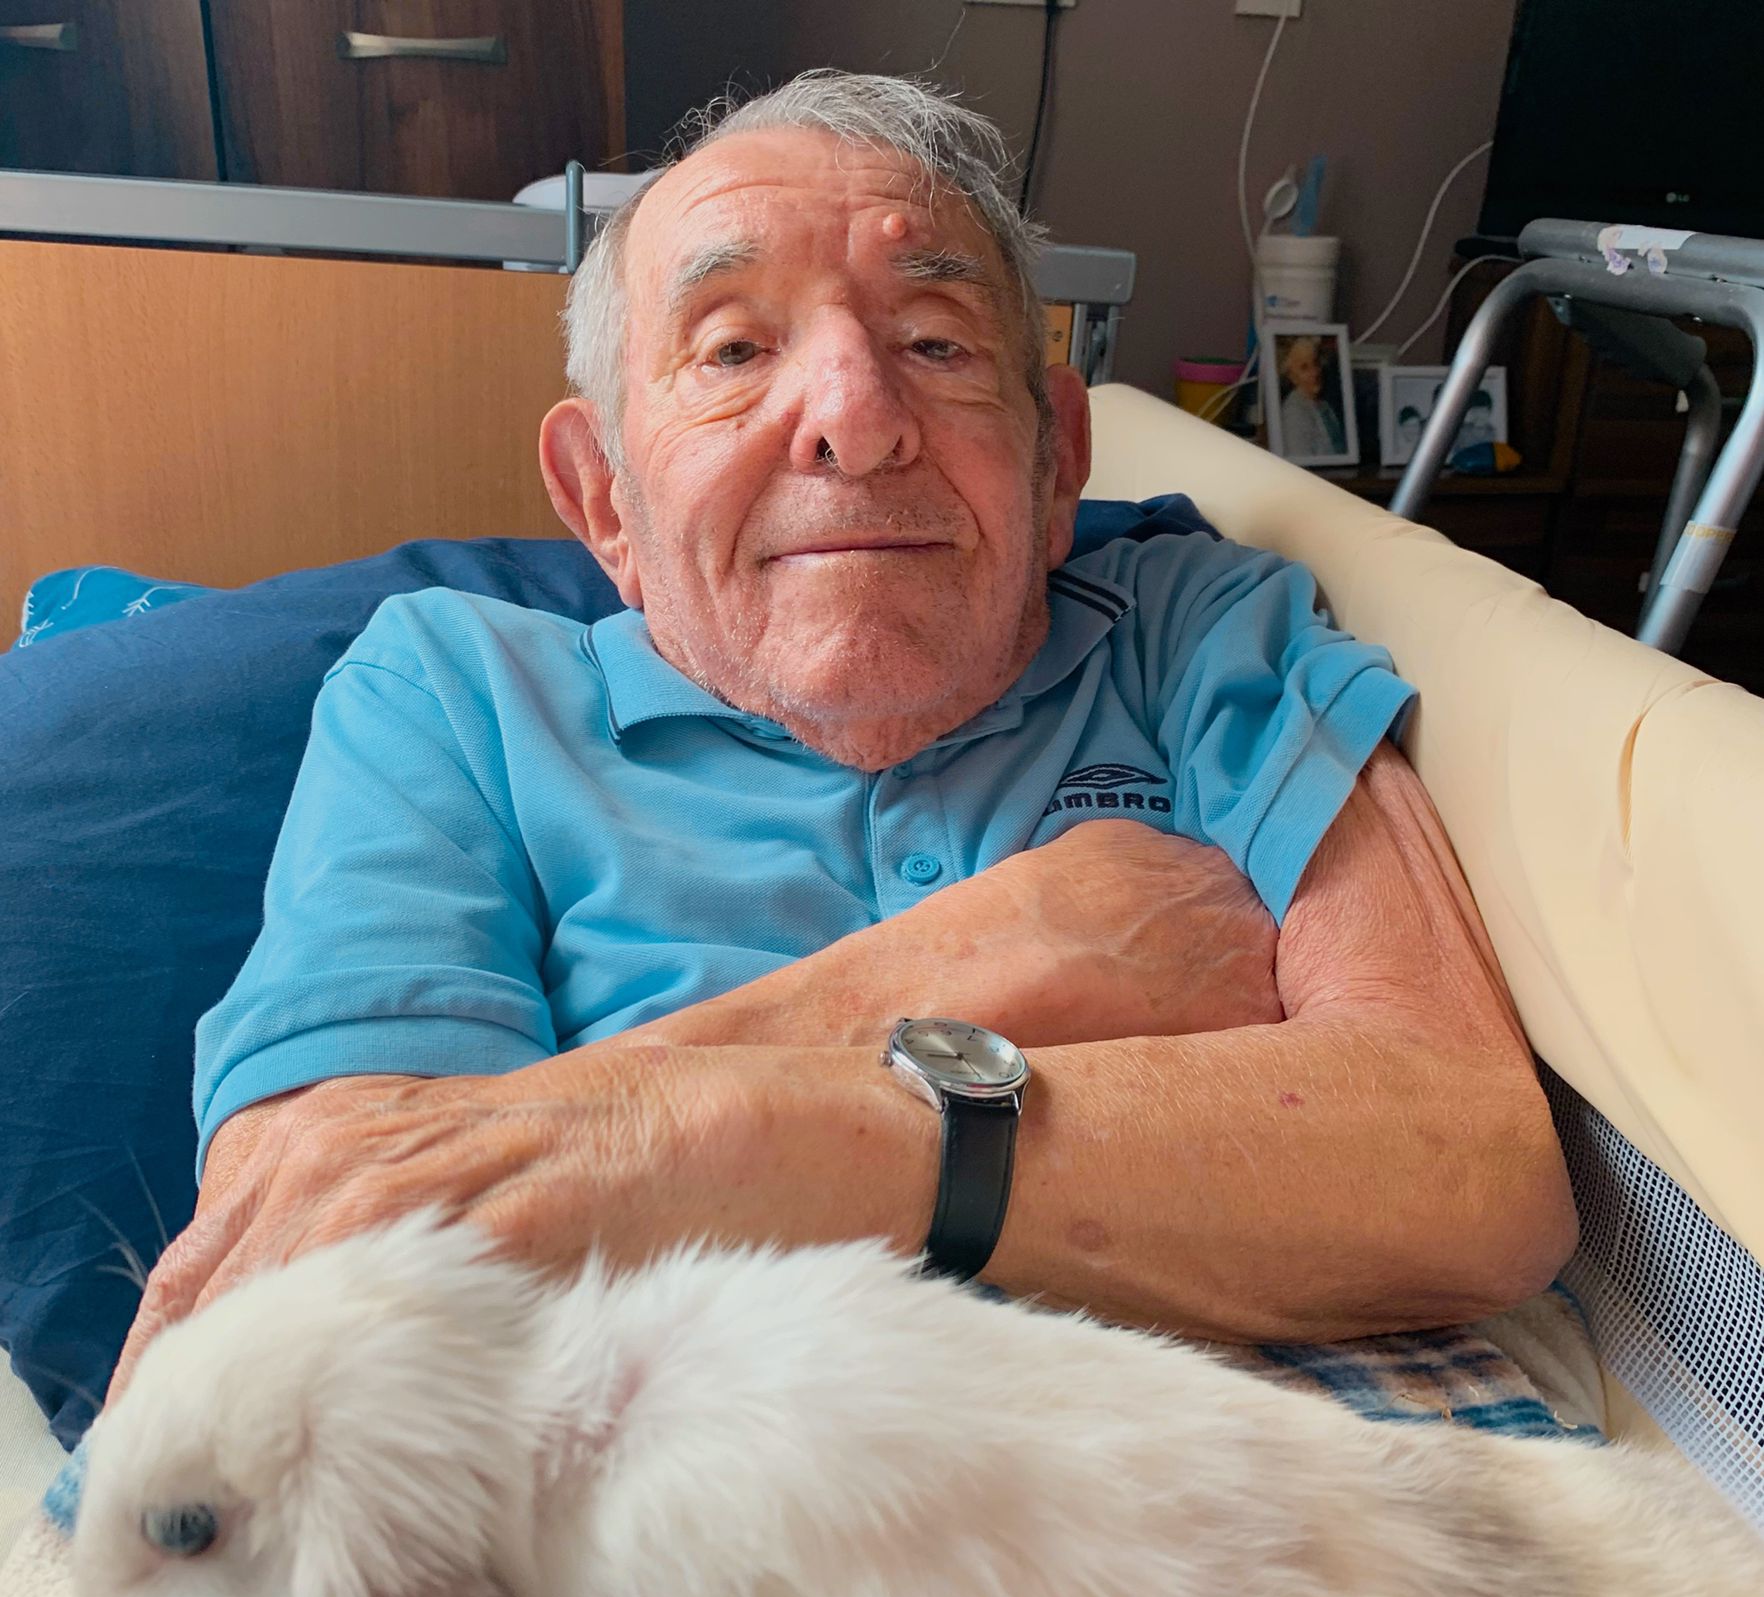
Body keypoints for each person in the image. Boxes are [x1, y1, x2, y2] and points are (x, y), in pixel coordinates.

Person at [111, 71, 1574, 1394]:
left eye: (935, 341)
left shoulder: (1203, 632)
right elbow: (323, 1273)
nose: (857, 420)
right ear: (604, 497)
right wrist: (979, 967)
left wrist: (649, 1149)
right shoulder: (452, 692)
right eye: (733, 349)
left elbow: (1469, 1163)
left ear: (1058, 461)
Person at [1277, 335, 1346, 462]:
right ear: (1292, 377)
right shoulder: (1294, 411)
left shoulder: (1324, 405)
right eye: (1304, 368)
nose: (1314, 373)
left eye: (1316, 363)